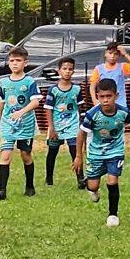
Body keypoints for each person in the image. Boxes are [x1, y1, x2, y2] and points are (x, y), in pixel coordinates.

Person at [73, 79, 130, 227]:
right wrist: (78, 156)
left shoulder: (123, 112)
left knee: (112, 181)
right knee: (92, 185)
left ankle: (113, 214)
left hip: (115, 152)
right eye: (102, 97)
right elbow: (81, 134)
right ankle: (93, 190)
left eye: (109, 96)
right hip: (96, 154)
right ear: (97, 96)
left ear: (116, 95)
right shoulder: (92, 114)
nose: (105, 100)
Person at [0, 47, 42, 200]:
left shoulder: (29, 81)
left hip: (25, 124)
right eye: (12, 60)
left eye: (18, 60)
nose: (15, 63)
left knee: (25, 154)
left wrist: (21, 112)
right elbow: (2, 102)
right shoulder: (3, 82)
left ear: (25, 63)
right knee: (5, 154)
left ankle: (29, 186)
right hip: (8, 125)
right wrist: (1, 119)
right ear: (8, 63)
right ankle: (2, 190)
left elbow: (35, 102)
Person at [44, 57, 86, 189]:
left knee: (75, 151)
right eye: (64, 69)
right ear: (59, 71)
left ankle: (80, 179)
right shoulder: (53, 90)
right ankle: (49, 178)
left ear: (73, 71)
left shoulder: (77, 89)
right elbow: (49, 109)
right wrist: (51, 128)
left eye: (70, 69)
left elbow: (80, 108)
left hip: (73, 126)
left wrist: (82, 125)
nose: (67, 71)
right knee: (52, 152)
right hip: (57, 126)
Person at [89, 42, 130, 108]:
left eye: (116, 54)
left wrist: (125, 54)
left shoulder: (122, 67)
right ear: (105, 53)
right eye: (110, 53)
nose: (112, 56)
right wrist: (94, 100)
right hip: (105, 103)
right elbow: (92, 86)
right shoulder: (99, 68)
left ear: (119, 55)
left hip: (120, 104)